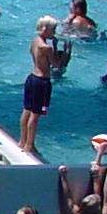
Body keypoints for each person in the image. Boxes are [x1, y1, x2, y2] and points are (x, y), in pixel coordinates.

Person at [18, 16, 71, 154]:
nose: (54, 32)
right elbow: (57, 65)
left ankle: (22, 141)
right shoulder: (46, 47)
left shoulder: (35, 41)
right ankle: (30, 145)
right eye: (53, 29)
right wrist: (65, 52)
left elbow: (36, 56)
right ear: (45, 28)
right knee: (35, 115)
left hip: (31, 78)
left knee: (27, 110)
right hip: (42, 82)